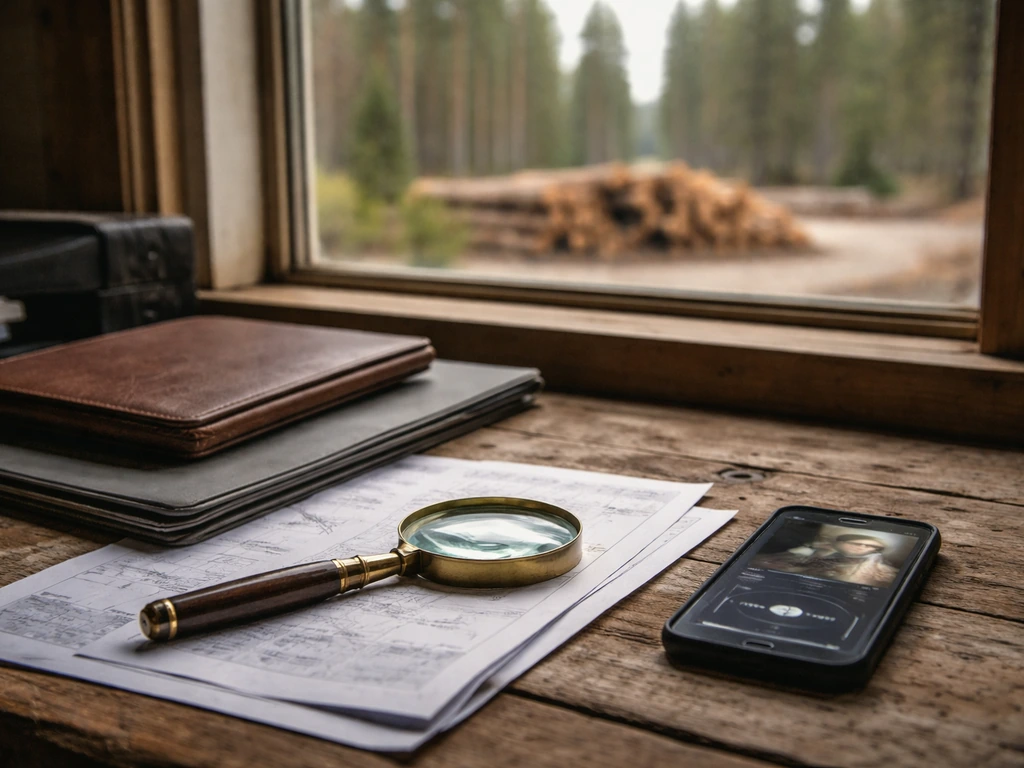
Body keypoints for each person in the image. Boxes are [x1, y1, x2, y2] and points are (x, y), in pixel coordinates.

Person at [752, 533, 899, 587]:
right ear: (840, 542)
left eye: (870, 547)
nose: (862, 548)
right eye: (856, 543)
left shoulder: (879, 568)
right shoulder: (806, 552)